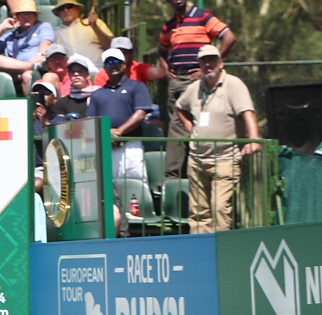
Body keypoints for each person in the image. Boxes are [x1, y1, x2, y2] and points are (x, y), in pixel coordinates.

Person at [172, 47, 258, 233]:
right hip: (197, 160)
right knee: (198, 212)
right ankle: (201, 247)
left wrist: (254, 140)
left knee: (220, 208)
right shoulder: (194, 88)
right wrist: (189, 126)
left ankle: (222, 246)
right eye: (204, 61)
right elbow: (179, 107)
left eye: (212, 60)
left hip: (225, 158)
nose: (208, 64)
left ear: (221, 63)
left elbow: (248, 113)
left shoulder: (234, 85)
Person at [85, 49, 156, 189]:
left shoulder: (137, 86)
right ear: (104, 67)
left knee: (138, 188)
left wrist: (119, 132)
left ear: (124, 64)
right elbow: (91, 121)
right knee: (110, 189)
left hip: (131, 146)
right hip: (107, 148)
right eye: (109, 62)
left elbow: (141, 113)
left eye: (116, 61)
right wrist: (106, 134)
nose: (113, 65)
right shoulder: (97, 94)